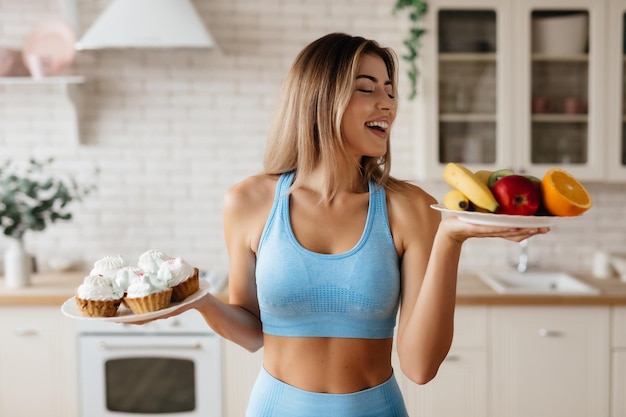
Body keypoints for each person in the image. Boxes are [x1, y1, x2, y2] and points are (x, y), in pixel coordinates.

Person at [157, 32, 549, 416]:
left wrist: (450, 240)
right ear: (319, 99)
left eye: (391, 91)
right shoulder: (248, 202)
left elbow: (419, 367)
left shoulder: (409, 208)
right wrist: (201, 302)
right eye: (368, 89)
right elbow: (251, 332)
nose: (388, 105)